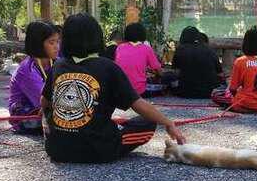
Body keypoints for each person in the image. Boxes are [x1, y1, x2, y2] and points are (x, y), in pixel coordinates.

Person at [40, 13, 185, 163]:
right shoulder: (108, 67)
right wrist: (168, 123)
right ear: (97, 37)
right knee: (146, 122)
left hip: (56, 149)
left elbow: (44, 102)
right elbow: (138, 104)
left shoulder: (58, 65)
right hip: (97, 150)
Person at [8, 21, 62, 133]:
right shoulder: (27, 69)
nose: (57, 46)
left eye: (58, 41)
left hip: (47, 106)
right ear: (38, 44)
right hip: (26, 112)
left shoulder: (58, 62)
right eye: (51, 42)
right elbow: (43, 100)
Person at [213, 26, 257, 112]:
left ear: (246, 42)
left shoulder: (240, 61)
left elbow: (233, 88)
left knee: (215, 94)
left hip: (244, 104)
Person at [171, 26, 221, 99]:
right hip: (209, 92)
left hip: (185, 92)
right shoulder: (209, 49)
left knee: (168, 77)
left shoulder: (180, 50)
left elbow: (176, 72)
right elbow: (219, 72)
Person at [114, 22, 162, 96]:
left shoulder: (120, 48)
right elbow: (158, 70)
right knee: (166, 81)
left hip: (120, 89)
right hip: (139, 91)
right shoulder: (147, 49)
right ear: (143, 34)